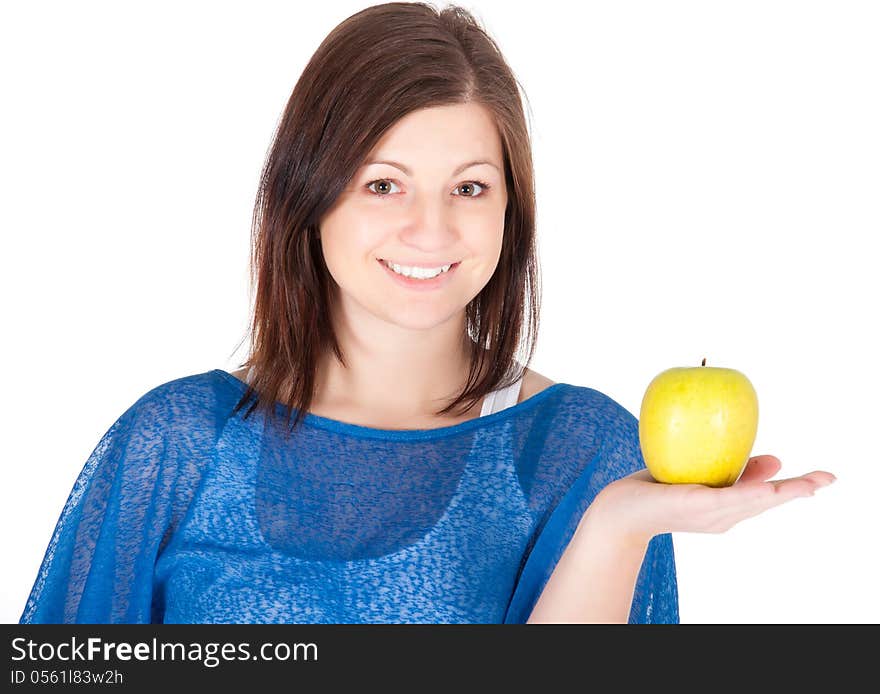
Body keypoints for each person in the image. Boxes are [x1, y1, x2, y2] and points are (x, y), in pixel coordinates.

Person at [19, 2, 834, 625]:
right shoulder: (177, 440)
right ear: (309, 196)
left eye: (470, 187)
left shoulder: (587, 452)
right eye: (383, 184)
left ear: (511, 210)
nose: (432, 230)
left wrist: (617, 531)